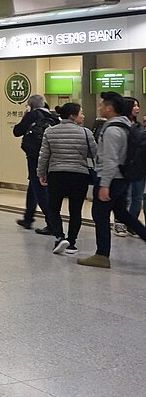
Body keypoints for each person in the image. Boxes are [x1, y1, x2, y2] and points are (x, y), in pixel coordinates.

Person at [78, 92, 146, 268]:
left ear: (109, 108)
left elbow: (110, 160)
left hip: (111, 178)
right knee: (122, 213)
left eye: (101, 105)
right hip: (123, 178)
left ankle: (102, 255)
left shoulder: (112, 130)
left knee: (100, 214)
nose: (99, 107)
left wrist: (104, 185)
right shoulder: (126, 125)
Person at [37, 103, 96, 256]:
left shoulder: (50, 132)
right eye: (81, 113)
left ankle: (59, 236)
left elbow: (44, 156)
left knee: (53, 208)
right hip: (79, 175)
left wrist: (41, 173)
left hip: (57, 175)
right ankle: (72, 243)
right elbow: (95, 154)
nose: (83, 116)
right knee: (75, 210)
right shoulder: (86, 133)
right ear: (72, 116)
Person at [12, 94, 57, 232]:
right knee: (34, 185)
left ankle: (52, 223)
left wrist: (25, 115)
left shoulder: (31, 115)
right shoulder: (54, 117)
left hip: (34, 157)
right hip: (50, 157)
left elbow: (17, 131)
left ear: (30, 105)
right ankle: (28, 218)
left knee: (39, 190)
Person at [116, 96, 144, 237]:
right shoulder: (122, 126)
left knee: (137, 197)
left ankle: (131, 224)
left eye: (138, 105)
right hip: (125, 167)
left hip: (138, 167)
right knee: (125, 196)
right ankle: (120, 224)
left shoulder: (139, 126)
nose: (137, 108)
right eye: (134, 105)